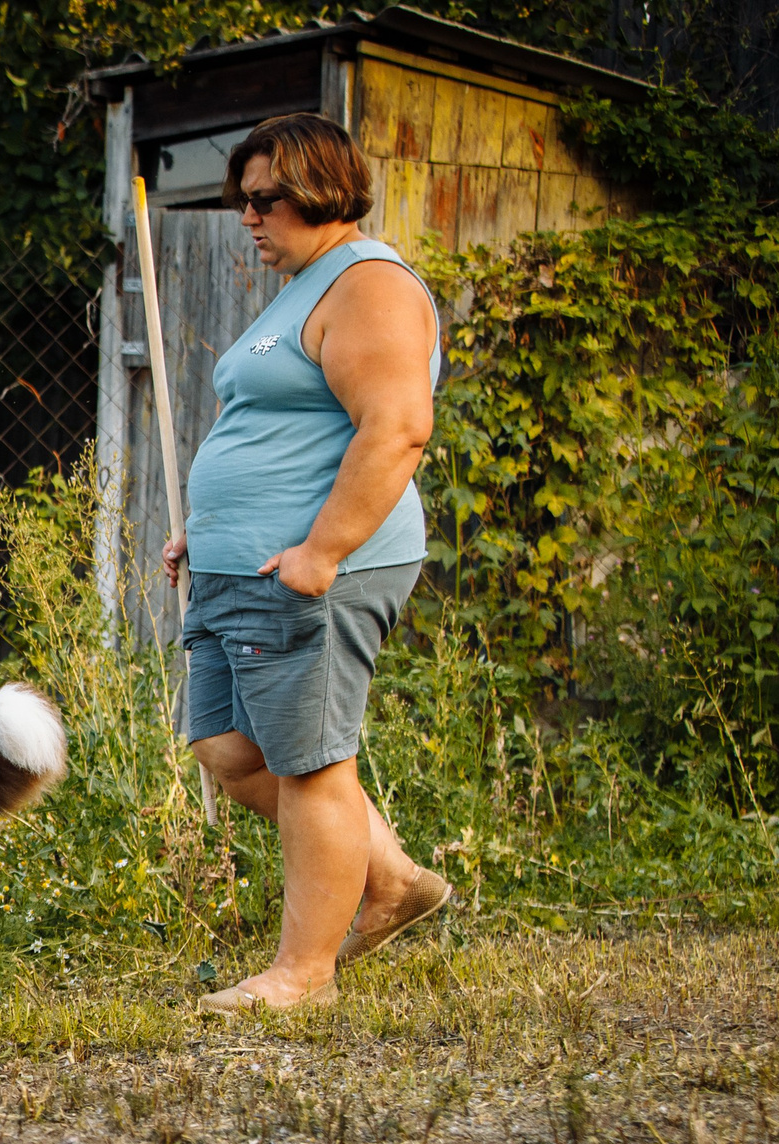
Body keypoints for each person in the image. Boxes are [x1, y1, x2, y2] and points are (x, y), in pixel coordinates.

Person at [164, 111, 452, 1014]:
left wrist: (324, 550)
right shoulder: (303, 285)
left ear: (322, 188)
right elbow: (277, 423)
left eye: (263, 200)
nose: (247, 219)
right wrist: (204, 527)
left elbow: (397, 426)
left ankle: (305, 973)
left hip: (310, 569)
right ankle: (395, 879)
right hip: (236, 567)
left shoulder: (369, 284)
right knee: (227, 748)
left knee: (308, 764)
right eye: (239, 202)